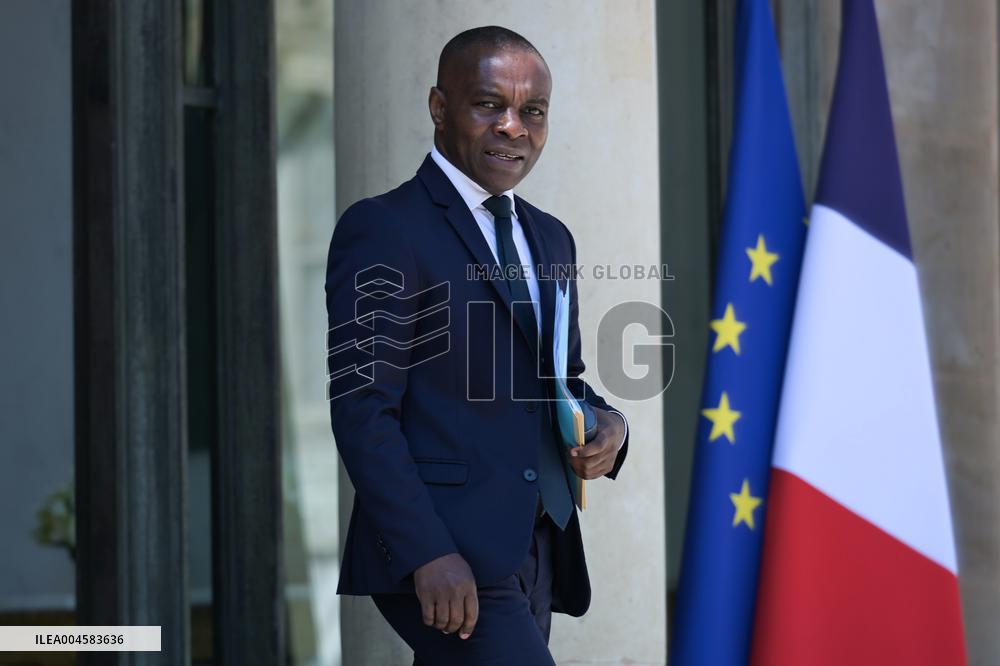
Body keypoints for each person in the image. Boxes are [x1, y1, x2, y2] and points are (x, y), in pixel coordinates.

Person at [325, 25, 629, 666]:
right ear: (440, 108)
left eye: (533, 111)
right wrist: (424, 551)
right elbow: (362, 410)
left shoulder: (551, 239)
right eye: (489, 104)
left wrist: (609, 422)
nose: (514, 127)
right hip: (445, 551)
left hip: (540, 542)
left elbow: (561, 379)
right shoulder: (384, 228)